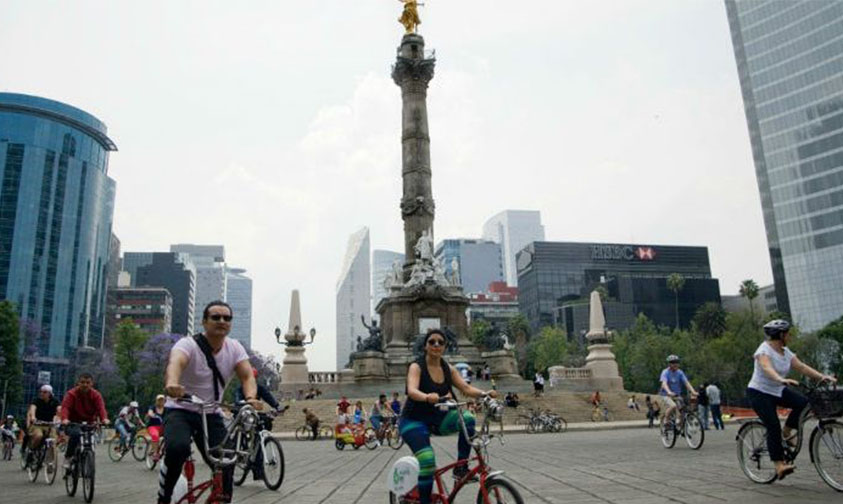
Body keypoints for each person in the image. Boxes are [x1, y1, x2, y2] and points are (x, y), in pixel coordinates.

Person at [158, 301, 259, 504]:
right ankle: (165, 496)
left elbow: (247, 376)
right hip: (180, 409)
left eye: (227, 318)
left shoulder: (235, 348)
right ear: (204, 321)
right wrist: (172, 383)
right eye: (215, 317)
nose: (221, 321)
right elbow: (176, 362)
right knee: (177, 449)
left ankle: (222, 500)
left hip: (211, 412)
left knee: (227, 459)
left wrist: (250, 399)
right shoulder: (188, 344)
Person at [399, 328, 497, 504]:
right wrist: (427, 396)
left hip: (437, 419)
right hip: (413, 421)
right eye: (432, 342)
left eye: (440, 342)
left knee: (467, 418)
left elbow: (466, 388)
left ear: (444, 347)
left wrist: (484, 394)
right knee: (427, 461)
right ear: (425, 346)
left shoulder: (448, 368)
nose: (436, 345)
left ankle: (461, 467)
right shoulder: (416, 366)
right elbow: (412, 390)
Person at [747, 319, 837, 480]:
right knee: (773, 425)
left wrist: (822, 376)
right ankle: (779, 464)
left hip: (777, 390)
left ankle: (787, 431)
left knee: (803, 403)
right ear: (780, 334)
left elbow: (801, 367)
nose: (790, 336)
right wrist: (780, 379)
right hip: (759, 392)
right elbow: (766, 367)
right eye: (788, 333)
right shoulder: (764, 350)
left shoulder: (786, 352)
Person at [61, 372, 110, 470]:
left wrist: (104, 418)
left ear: (92, 384)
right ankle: (68, 456)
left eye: (88, 382)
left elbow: (101, 408)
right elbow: (65, 408)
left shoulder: (96, 395)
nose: (85, 385)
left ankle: (88, 457)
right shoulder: (71, 394)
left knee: (90, 438)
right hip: (73, 423)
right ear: (78, 383)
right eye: (82, 382)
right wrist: (65, 419)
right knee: (75, 435)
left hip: (89, 423)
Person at [658, 355, 697, 429]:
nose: (675, 364)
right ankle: (666, 420)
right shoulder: (665, 372)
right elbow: (664, 383)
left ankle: (681, 426)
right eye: (673, 363)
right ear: (669, 364)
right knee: (673, 406)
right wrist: (669, 391)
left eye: (676, 362)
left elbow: (686, 382)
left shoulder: (680, 372)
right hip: (666, 395)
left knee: (683, 409)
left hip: (676, 395)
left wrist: (693, 391)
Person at [26, 384, 61, 459]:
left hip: (50, 425)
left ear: (50, 393)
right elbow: (33, 408)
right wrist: (33, 417)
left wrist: (60, 418)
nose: (42, 393)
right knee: (39, 436)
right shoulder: (37, 400)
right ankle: (31, 450)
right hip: (38, 424)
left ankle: (51, 462)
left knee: (54, 441)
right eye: (41, 392)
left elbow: (59, 410)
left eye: (45, 392)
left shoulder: (55, 401)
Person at [146, 395, 166, 460]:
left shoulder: (166, 408)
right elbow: (150, 412)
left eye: (162, 400)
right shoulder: (153, 407)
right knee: (155, 435)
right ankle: (155, 453)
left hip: (163, 427)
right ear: (156, 401)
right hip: (153, 427)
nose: (161, 401)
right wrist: (152, 415)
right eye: (159, 400)